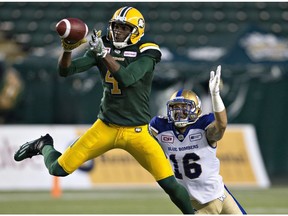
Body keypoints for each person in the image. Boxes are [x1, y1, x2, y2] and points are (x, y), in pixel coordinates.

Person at [14, 6, 194, 214]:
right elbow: (66, 71)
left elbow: (127, 79)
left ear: (137, 31)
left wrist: (103, 54)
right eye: (116, 27)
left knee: (170, 184)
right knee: (58, 169)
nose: (117, 32)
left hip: (137, 132)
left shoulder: (147, 50)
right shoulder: (104, 45)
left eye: (124, 28)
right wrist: (68, 49)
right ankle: (43, 144)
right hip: (105, 127)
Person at [149, 65, 247, 214]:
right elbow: (141, 138)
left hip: (218, 193)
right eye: (175, 108)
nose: (179, 113)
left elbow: (221, 125)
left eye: (184, 108)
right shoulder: (160, 127)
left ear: (197, 110)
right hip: (195, 200)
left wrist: (215, 95)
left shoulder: (203, 127)